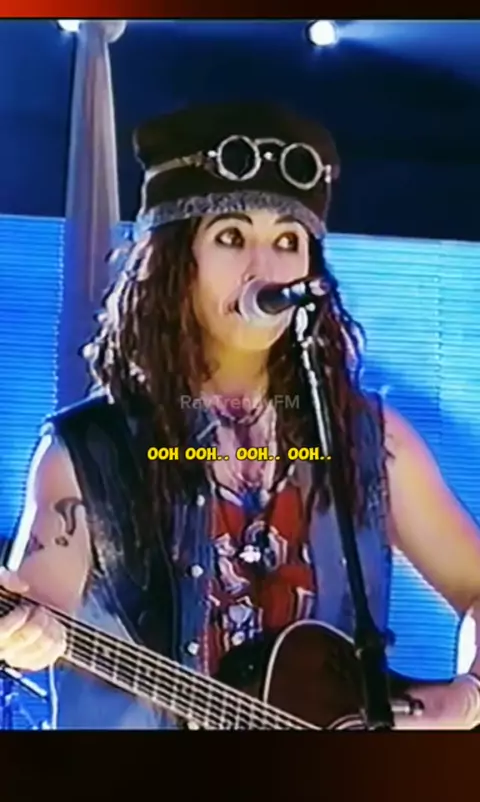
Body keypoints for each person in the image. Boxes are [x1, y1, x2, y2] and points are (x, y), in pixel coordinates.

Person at [0, 101, 480, 730]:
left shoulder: (366, 439)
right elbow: (32, 614)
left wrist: (467, 699)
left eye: (287, 241)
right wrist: (21, 638)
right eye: (232, 237)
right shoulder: (89, 452)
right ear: (175, 263)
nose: (265, 268)